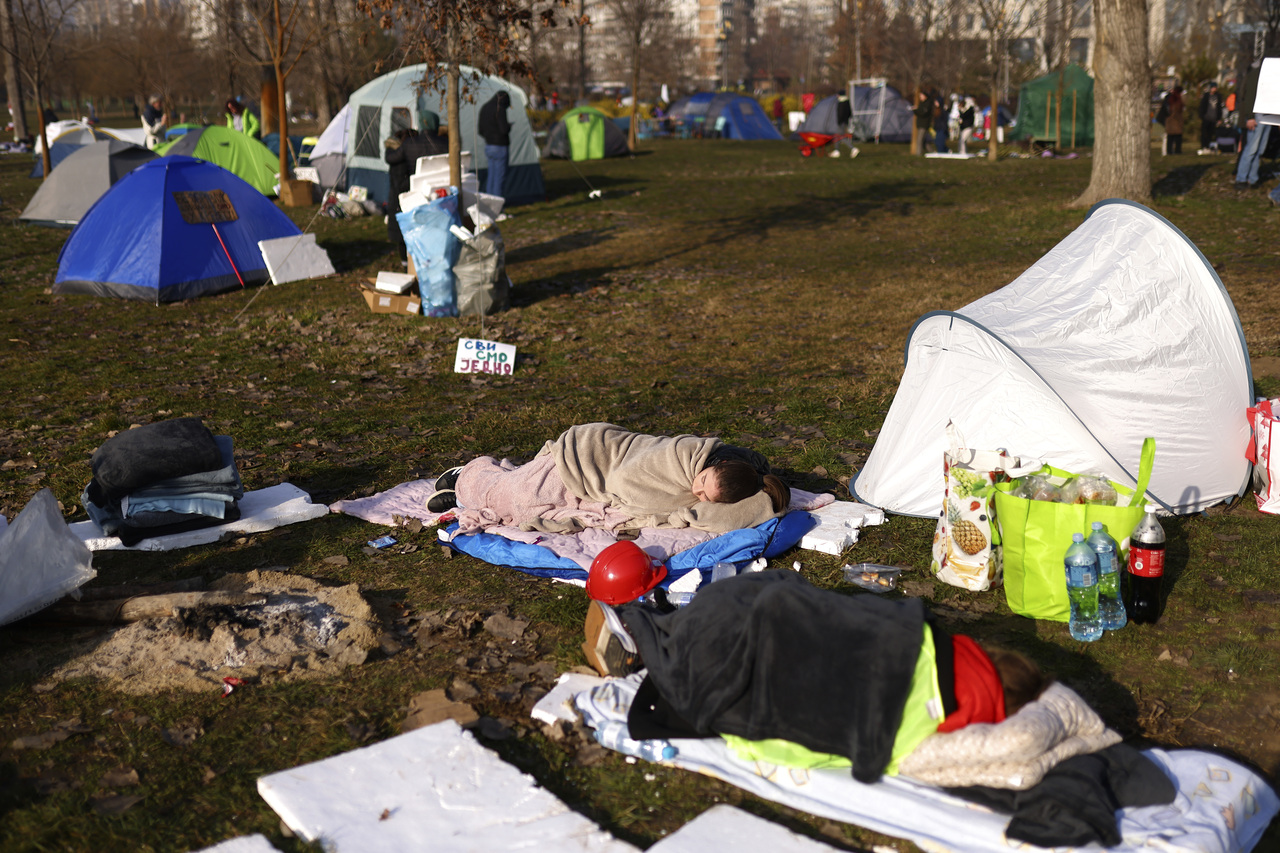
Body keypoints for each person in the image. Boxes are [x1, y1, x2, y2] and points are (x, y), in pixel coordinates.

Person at [583, 569, 1050, 782]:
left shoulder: (924, 635)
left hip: (747, 605)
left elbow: (847, 611)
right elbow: (796, 746)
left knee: (779, 594)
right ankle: (652, 637)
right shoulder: (903, 737)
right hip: (739, 658)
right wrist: (738, 737)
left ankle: (657, 624)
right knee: (714, 687)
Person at [427, 422, 791, 536]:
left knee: (532, 511)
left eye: (704, 496)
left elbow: (748, 507)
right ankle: (468, 475)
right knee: (514, 497)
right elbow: (624, 482)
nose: (694, 490)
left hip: (592, 489)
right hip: (586, 456)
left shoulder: (742, 480)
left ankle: (475, 489)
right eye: (703, 479)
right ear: (716, 462)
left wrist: (764, 499)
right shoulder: (683, 456)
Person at [384, 126, 435, 267]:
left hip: (397, 202)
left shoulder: (395, 156)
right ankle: (408, 264)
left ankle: (407, 263)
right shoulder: (401, 162)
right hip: (402, 202)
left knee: (402, 235)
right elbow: (401, 184)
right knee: (405, 234)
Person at [1236, 58, 1272, 186]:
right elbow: (1249, 95)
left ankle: (1253, 178)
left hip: (1268, 114)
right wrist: (1250, 116)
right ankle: (1241, 178)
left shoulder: (1272, 74)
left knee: (1259, 149)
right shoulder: (1257, 74)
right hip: (1258, 114)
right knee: (1252, 148)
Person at [477, 90, 512, 199]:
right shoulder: (499, 109)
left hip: (489, 146)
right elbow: (503, 129)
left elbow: (480, 130)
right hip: (500, 146)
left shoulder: (485, 107)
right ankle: (498, 208)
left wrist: (489, 136)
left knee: (491, 177)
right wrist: (509, 126)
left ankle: (490, 204)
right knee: (499, 178)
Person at [1198, 81, 1223, 154]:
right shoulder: (1206, 96)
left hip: (1214, 118)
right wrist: (1202, 116)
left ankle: (1209, 146)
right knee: (1204, 133)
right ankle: (1203, 146)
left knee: (1210, 134)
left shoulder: (1218, 96)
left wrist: (1219, 118)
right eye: (1213, 88)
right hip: (1206, 118)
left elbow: (1219, 108)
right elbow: (1202, 106)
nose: (1214, 89)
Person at [1161, 86, 1185, 155]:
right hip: (1174, 120)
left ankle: (1170, 151)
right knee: (1177, 136)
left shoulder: (1169, 98)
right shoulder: (1177, 99)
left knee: (1171, 137)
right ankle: (1177, 150)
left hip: (1170, 120)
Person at [913, 90, 933, 155]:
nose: (920, 97)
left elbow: (923, 113)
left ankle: (918, 153)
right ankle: (932, 151)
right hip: (920, 124)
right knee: (923, 140)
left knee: (919, 139)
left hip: (924, 124)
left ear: (925, 96)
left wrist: (916, 110)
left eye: (921, 96)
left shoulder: (927, 104)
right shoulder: (922, 103)